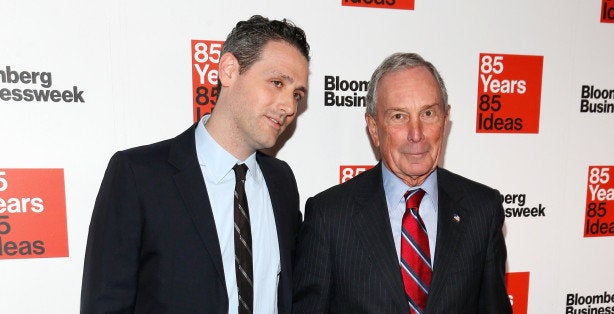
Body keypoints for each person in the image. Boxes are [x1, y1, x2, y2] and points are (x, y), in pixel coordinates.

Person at [81, 15, 309, 314]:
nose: (289, 106)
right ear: (229, 70)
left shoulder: (282, 182)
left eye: (296, 94)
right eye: (276, 82)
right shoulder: (138, 175)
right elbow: (105, 305)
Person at [292, 52, 512, 313]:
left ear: (445, 119)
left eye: (428, 113)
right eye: (399, 116)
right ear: (374, 128)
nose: (416, 134)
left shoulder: (482, 210)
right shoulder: (330, 216)